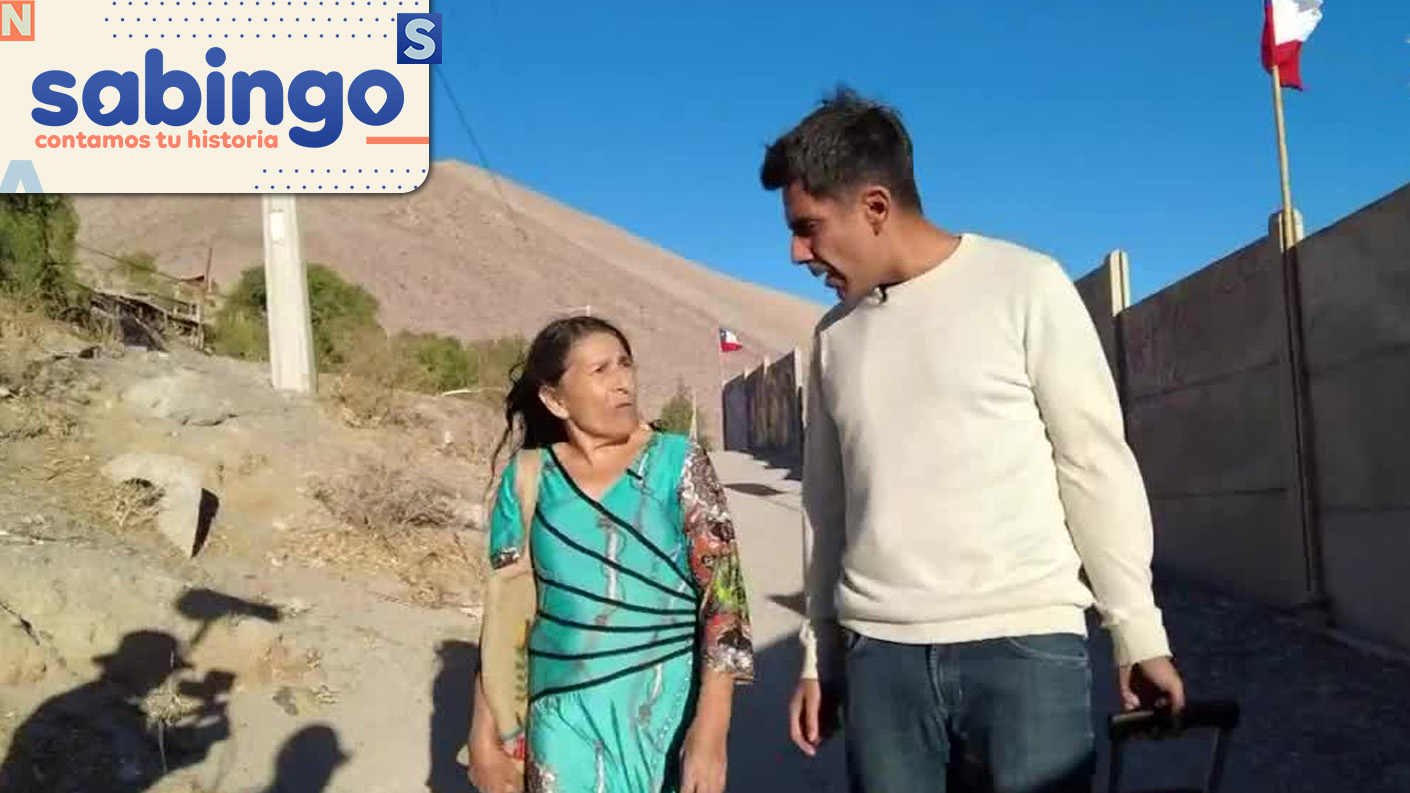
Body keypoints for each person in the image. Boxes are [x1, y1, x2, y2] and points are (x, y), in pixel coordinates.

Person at [759, 87, 1187, 793]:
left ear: (874, 206)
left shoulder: (1025, 286)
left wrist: (1138, 632)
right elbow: (825, 511)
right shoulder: (834, 338)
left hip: (1025, 651)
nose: (797, 252)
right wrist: (819, 653)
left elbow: (1093, 464)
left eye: (808, 228)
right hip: (882, 664)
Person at [467, 315, 755, 793]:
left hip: (663, 712)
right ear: (555, 399)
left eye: (625, 364)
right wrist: (483, 733)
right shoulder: (528, 477)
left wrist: (712, 730)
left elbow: (724, 601)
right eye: (600, 370)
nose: (623, 382)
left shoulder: (678, 462)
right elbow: (505, 617)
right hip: (560, 715)